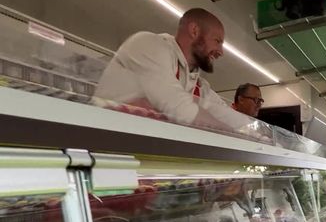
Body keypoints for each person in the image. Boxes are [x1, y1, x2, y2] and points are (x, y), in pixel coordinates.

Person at [94, 8, 259, 135]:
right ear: (194, 31)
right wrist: (236, 135)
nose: (220, 51)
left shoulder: (197, 82)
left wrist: (257, 133)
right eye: (217, 41)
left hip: (135, 155)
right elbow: (181, 109)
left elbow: (219, 111)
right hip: (98, 148)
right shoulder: (149, 44)